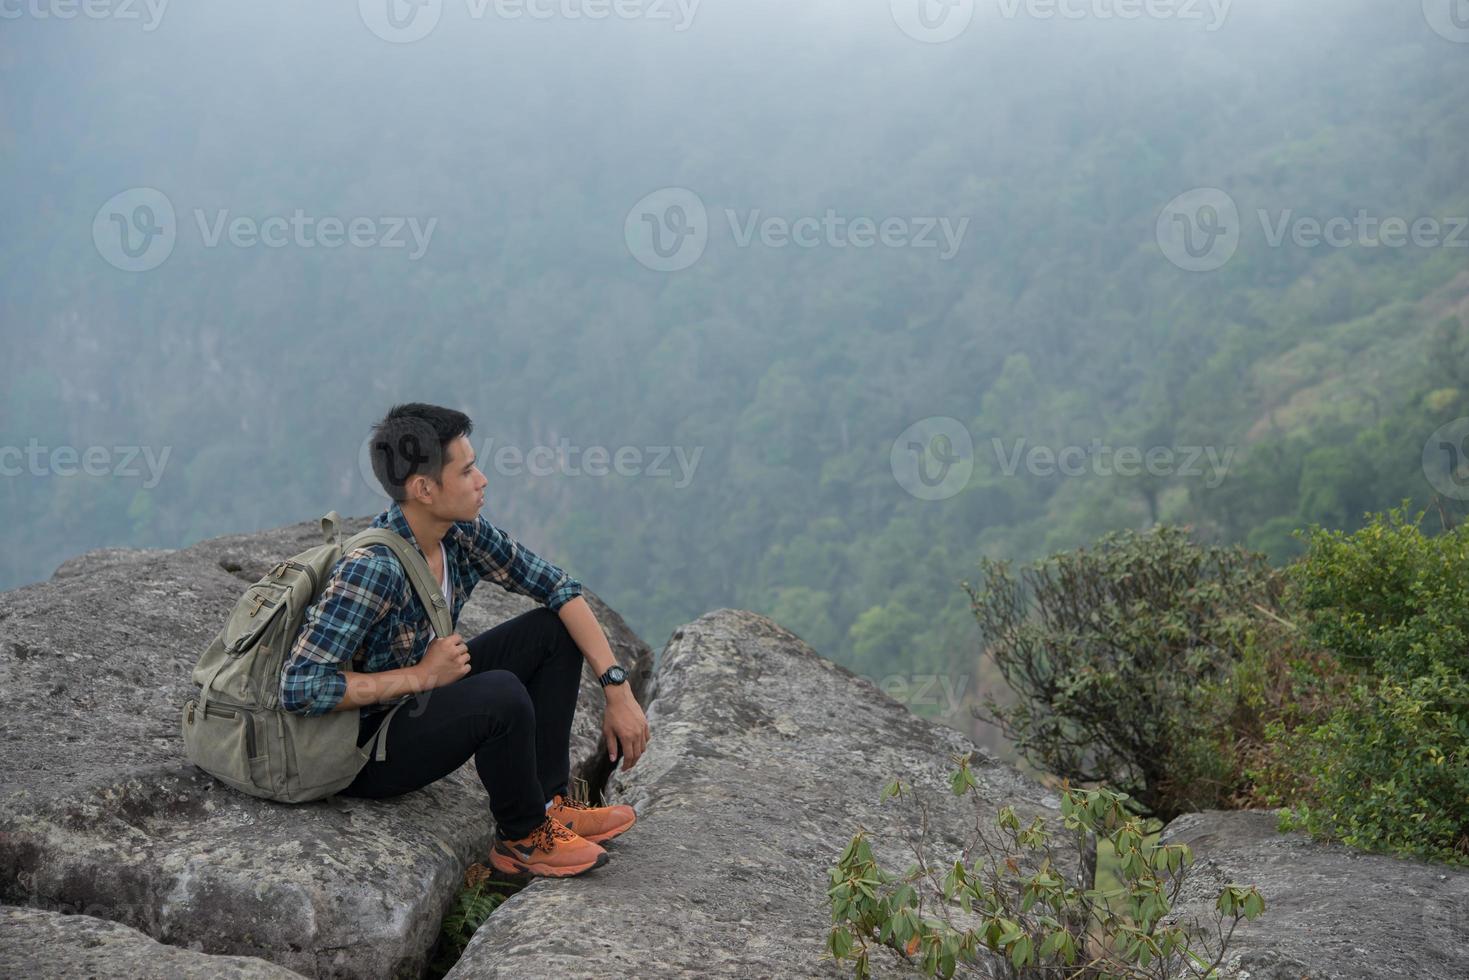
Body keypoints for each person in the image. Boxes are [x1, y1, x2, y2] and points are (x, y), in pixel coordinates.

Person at [279, 402, 650, 878]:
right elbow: (301, 687)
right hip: (366, 750)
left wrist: (616, 689)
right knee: (501, 696)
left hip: (420, 699)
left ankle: (550, 804)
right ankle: (521, 837)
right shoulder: (373, 570)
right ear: (423, 489)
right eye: (468, 469)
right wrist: (421, 675)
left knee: (552, 631)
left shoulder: (462, 535)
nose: (483, 480)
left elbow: (559, 589)